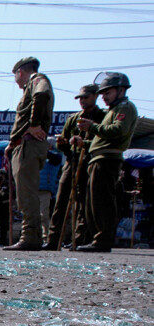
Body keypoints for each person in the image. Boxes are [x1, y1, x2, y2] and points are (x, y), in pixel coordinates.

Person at [76, 72, 138, 252]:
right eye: (102, 94)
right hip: (99, 158)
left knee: (102, 202)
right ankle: (97, 238)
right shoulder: (114, 110)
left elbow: (118, 130)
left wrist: (92, 127)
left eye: (108, 93)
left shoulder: (125, 107)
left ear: (120, 90)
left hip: (107, 159)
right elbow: (102, 139)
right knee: (92, 203)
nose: (104, 97)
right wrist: (84, 143)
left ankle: (103, 240)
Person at [43, 84, 106, 250]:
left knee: (84, 203)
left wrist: (84, 143)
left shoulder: (102, 117)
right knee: (61, 201)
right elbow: (63, 142)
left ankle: (79, 240)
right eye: (81, 98)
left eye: (86, 97)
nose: (83, 101)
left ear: (95, 96)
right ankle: (53, 240)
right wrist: (62, 144)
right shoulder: (73, 119)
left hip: (90, 161)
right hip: (72, 161)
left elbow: (104, 141)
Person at [3, 57, 54, 251]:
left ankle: (31, 236)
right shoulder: (30, 86)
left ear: (20, 72)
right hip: (22, 145)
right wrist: (11, 143)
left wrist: (34, 125)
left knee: (26, 193)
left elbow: (41, 96)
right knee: (24, 192)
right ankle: (30, 235)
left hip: (29, 145)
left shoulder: (37, 80)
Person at [38, 152, 62, 242]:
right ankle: (36, 236)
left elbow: (56, 158)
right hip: (33, 188)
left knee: (43, 215)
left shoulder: (54, 159)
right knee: (32, 215)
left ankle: (46, 237)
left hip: (45, 190)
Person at [0, 169, 12, 245]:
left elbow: (3, 194)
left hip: (5, 206)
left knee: (4, 225)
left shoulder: (7, 184)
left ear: (3, 175)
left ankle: (3, 240)